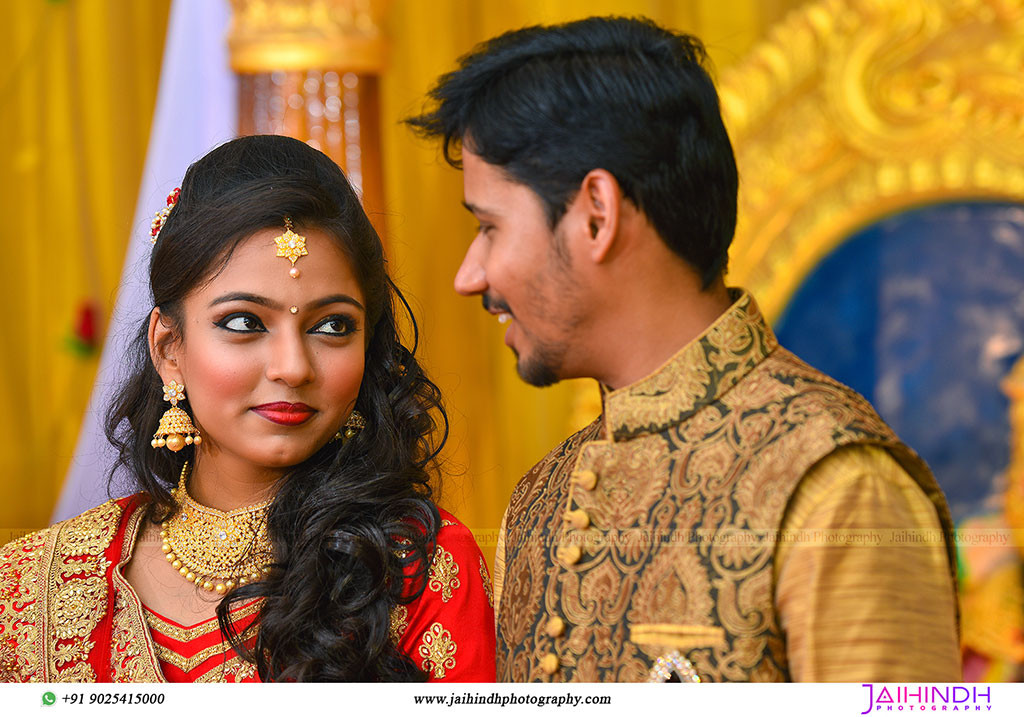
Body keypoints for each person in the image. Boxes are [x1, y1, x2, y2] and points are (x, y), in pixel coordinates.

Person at [407, 16, 960, 682]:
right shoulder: (542, 500)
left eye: (490, 227)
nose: (471, 276)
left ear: (595, 215)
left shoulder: (836, 485)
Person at [0, 135, 495, 683]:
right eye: (244, 322)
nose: (293, 367)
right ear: (169, 348)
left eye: (332, 326)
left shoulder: (416, 569)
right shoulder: (30, 584)